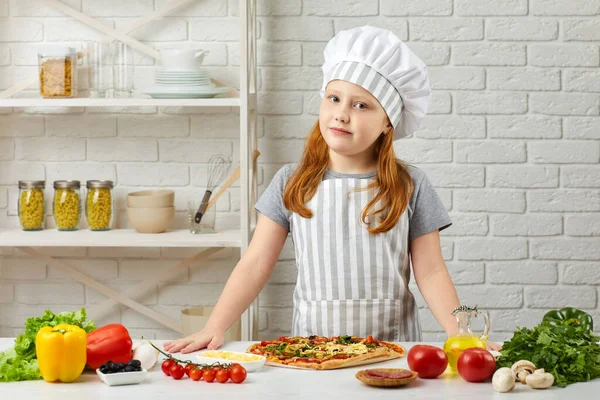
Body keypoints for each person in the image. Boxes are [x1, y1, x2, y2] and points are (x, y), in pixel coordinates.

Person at [164, 25, 500, 354]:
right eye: (335, 98)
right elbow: (255, 264)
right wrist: (215, 325)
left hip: (394, 350)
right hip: (314, 351)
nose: (341, 114)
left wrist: (462, 336)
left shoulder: (409, 184)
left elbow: (431, 271)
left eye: (361, 105)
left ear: (388, 123)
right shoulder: (290, 181)